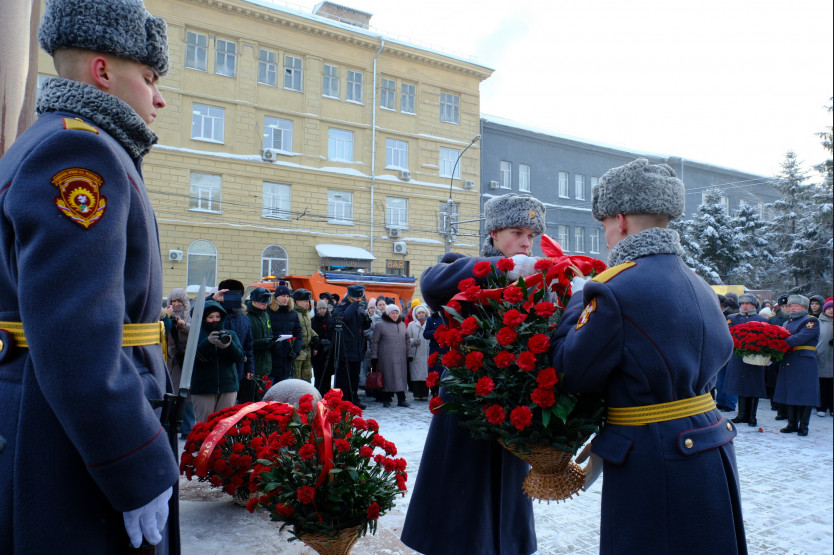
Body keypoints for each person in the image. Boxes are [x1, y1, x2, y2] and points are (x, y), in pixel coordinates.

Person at [0, 0, 179, 551]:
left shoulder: (49, 139)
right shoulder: (79, 150)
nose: (159, 98)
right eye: (149, 78)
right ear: (103, 72)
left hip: (52, 418)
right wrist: (132, 460)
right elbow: (75, 331)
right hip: (70, 443)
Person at [551, 158, 746, 553]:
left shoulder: (613, 287)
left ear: (620, 220)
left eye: (604, 225)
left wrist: (576, 299)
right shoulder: (698, 283)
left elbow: (570, 371)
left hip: (654, 455)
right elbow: (722, 350)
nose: (606, 236)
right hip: (707, 442)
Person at [402, 193, 546, 555]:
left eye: (531, 235)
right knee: (461, 492)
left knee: (508, 490)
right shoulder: (465, 267)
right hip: (466, 401)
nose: (526, 243)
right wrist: (502, 268)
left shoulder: (534, 279)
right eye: (517, 232)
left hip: (512, 403)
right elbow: (431, 283)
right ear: (494, 234)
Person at [190, 300, 245, 423]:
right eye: (210, 317)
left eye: (217, 316)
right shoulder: (195, 335)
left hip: (228, 387)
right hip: (203, 388)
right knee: (204, 426)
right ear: (204, 318)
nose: (215, 320)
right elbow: (192, 360)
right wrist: (208, 342)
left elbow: (240, 357)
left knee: (224, 426)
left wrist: (228, 346)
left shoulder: (230, 334)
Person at [774, 295, 821, 436]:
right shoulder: (786, 322)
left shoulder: (811, 321)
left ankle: (804, 426)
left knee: (805, 393)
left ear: (804, 307)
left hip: (804, 360)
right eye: (791, 305)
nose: (792, 307)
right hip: (789, 359)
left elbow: (800, 337)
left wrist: (780, 343)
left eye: (796, 305)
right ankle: (792, 424)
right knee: (790, 392)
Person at [724, 293, 769, 427]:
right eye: (742, 303)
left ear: (754, 305)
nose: (745, 306)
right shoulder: (733, 318)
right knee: (740, 384)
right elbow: (729, 333)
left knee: (754, 385)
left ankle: (752, 416)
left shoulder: (762, 319)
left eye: (748, 303)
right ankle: (742, 414)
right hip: (738, 355)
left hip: (755, 356)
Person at [212, 279, 254, 402]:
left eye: (236, 295)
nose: (233, 298)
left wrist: (250, 368)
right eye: (229, 295)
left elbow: (248, 346)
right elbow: (196, 314)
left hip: (237, 371)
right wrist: (213, 299)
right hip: (215, 370)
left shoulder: (244, 319)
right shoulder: (214, 315)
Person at [332, 284, 371, 408]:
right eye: (356, 298)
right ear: (350, 296)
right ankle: (344, 400)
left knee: (354, 377)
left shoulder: (359, 307)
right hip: (345, 348)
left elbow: (364, 326)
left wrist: (366, 319)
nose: (359, 300)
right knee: (344, 377)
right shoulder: (342, 306)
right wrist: (354, 306)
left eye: (360, 298)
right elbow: (343, 318)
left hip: (357, 347)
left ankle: (354, 399)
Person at [165, 287, 196, 437]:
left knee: (187, 395)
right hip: (171, 360)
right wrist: (167, 318)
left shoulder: (190, 316)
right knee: (172, 392)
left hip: (187, 359)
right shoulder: (165, 315)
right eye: (174, 301)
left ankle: (187, 429)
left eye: (179, 301)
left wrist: (183, 325)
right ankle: (171, 426)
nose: (176, 304)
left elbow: (196, 331)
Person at [370, 304, 411, 408]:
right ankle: (386, 399)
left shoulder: (402, 325)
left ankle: (401, 399)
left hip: (401, 357)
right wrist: (374, 356)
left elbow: (407, 340)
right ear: (388, 314)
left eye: (397, 313)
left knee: (401, 378)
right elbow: (374, 342)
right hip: (386, 357)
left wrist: (409, 354)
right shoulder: (380, 325)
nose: (395, 315)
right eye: (393, 313)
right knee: (387, 378)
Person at [243, 287, 273, 402]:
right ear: (254, 301)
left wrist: (273, 341)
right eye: (262, 303)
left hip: (265, 365)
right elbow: (246, 343)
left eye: (266, 304)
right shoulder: (247, 316)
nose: (265, 306)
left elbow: (269, 331)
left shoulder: (265, 314)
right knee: (251, 400)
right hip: (253, 365)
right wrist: (263, 343)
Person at [267, 284, 302, 383]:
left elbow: (298, 333)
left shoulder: (293, 313)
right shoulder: (268, 312)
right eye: (282, 296)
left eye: (287, 296)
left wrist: (296, 351)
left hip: (287, 357)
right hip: (273, 356)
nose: (285, 299)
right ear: (276, 297)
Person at [715, 294, 740, 412]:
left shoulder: (732, 315)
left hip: (731, 348)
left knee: (729, 378)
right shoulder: (718, 312)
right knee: (721, 378)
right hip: (722, 348)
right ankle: (721, 401)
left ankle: (729, 403)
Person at [311, 299, 336, 396]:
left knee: (328, 376)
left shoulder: (331, 320)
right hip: (318, 353)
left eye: (324, 308)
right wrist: (320, 342)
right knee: (318, 376)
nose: (322, 310)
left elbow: (333, 335)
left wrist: (330, 343)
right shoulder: (313, 321)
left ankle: (327, 394)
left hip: (329, 352)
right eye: (320, 309)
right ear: (317, 310)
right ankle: (318, 394)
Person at [291, 288, 317, 383]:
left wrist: (315, 336)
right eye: (305, 301)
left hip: (307, 352)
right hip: (298, 353)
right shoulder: (293, 314)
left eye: (308, 301)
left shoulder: (306, 313)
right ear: (298, 301)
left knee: (307, 379)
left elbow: (308, 328)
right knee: (296, 380)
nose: (308, 303)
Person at [407, 303, 431, 401]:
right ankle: (417, 394)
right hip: (416, 354)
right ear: (416, 315)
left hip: (426, 353)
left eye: (423, 313)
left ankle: (425, 394)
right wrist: (413, 341)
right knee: (416, 375)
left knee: (426, 375)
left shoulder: (429, 324)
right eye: (419, 313)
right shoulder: (411, 325)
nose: (421, 314)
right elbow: (407, 339)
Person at [817, 299, 834, 417]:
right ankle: (821, 406)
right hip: (821, 356)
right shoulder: (818, 322)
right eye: (829, 308)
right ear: (824, 310)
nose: (831, 310)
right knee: (822, 383)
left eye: (833, 309)